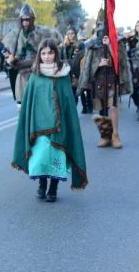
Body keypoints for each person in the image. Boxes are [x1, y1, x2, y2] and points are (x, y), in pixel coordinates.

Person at [11, 39, 87, 202]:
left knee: (56, 157)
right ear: (39, 55)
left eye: (50, 53)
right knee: (41, 157)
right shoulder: (35, 77)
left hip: (59, 128)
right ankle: (42, 184)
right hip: (38, 128)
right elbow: (29, 105)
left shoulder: (63, 75)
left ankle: (53, 188)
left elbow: (68, 103)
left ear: (56, 54)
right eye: (43, 53)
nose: (47, 56)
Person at [78, 31, 130, 147]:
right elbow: (87, 66)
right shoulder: (91, 44)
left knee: (113, 106)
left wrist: (110, 46)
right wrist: (99, 64)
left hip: (112, 78)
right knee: (101, 108)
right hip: (98, 80)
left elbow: (120, 61)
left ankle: (115, 135)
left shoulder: (118, 43)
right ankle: (105, 135)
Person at [2, 5, 60, 106]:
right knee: (22, 106)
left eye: (28, 19)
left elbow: (56, 42)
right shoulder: (15, 35)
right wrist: (9, 60)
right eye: (23, 19)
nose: (26, 22)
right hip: (22, 74)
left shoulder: (42, 32)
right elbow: (7, 58)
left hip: (38, 72)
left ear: (32, 19)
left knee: (39, 105)